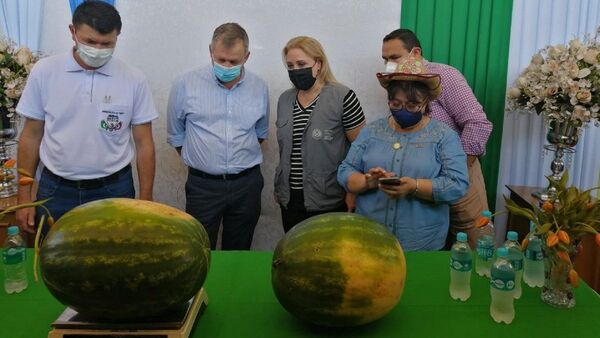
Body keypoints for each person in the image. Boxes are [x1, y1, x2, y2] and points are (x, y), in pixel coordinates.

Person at [15, 1, 157, 234]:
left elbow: (144, 144)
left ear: (117, 37)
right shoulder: (45, 71)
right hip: (56, 190)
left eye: (107, 44)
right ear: (73, 32)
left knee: (114, 260)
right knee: (54, 260)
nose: (98, 49)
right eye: (90, 42)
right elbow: (31, 136)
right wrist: (24, 197)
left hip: (114, 189)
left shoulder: (133, 78)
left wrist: (146, 199)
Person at [337, 56, 469, 251]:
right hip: (370, 238)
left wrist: (414, 186)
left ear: (425, 103)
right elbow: (345, 170)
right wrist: (368, 181)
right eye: (396, 104)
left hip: (421, 243)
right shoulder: (372, 131)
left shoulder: (444, 137)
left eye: (412, 105)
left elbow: (458, 185)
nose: (403, 111)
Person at [381, 29, 493, 248]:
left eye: (394, 58)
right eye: (385, 60)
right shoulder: (395, 83)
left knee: (472, 241)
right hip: (423, 182)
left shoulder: (443, 76)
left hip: (459, 171)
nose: (389, 65)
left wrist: (457, 169)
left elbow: (478, 123)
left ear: (416, 53)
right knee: (434, 244)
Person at [167, 23, 268, 250]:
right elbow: (176, 135)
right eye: (221, 60)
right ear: (211, 51)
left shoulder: (259, 86)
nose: (227, 66)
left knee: (239, 251)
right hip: (203, 186)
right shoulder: (185, 83)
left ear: (247, 56)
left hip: (247, 185)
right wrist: (205, 161)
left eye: (234, 62)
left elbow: (260, 134)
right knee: (199, 251)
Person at [274, 36, 366, 233]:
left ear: (319, 64)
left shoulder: (343, 97)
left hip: (329, 198)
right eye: (290, 65)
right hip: (290, 200)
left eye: (302, 64)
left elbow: (361, 150)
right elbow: (284, 150)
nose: (295, 70)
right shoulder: (284, 99)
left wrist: (353, 191)